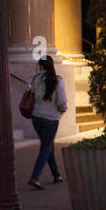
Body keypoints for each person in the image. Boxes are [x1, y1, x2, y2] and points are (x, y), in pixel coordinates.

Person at [27, 55, 67, 188]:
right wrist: (62, 110)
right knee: (46, 147)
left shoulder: (33, 80)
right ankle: (34, 177)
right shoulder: (58, 80)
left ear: (42, 66)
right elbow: (61, 101)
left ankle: (56, 174)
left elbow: (28, 92)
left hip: (36, 117)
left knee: (47, 145)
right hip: (51, 118)